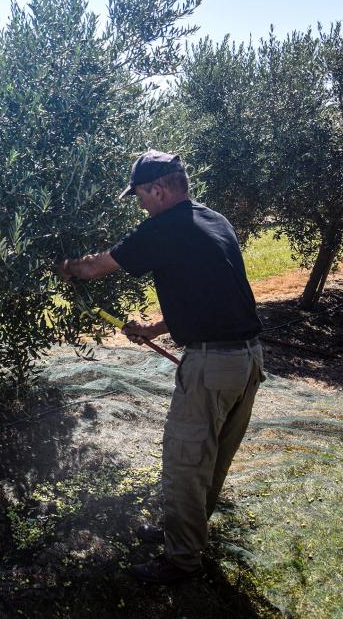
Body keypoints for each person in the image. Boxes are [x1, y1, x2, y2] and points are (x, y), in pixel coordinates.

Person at [57, 150, 264, 584]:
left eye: (140, 195)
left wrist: (64, 268)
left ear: (159, 189)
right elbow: (212, 292)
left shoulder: (165, 227)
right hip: (247, 360)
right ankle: (185, 532)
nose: (140, 204)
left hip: (213, 366)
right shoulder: (214, 221)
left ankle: (182, 561)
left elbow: (96, 267)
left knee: (186, 461)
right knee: (213, 458)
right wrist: (155, 328)